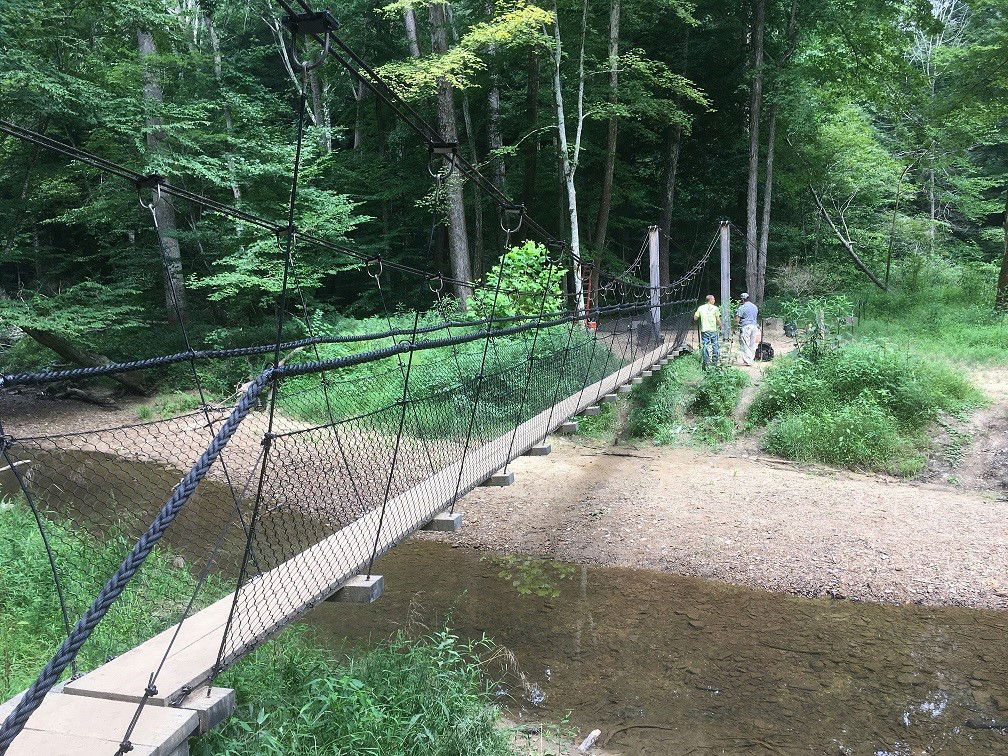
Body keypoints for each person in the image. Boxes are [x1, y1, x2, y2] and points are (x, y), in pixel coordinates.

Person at [693, 294, 721, 369]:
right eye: (714, 299)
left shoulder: (700, 308)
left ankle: (706, 362)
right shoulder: (715, 308)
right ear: (710, 300)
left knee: (705, 345)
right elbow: (718, 319)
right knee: (715, 345)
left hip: (704, 330)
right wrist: (721, 325)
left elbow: (695, 318)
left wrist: (700, 318)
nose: (714, 300)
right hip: (713, 330)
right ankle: (715, 361)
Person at [736, 293, 759, 366]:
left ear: (742, 299)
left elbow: (737, 319)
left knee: (745, 344)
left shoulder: (742, 307)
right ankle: (751, 359)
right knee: (752, 344)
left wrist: (736, 325)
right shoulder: (755, 307)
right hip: (754, 326)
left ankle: (748, 361)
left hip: (746, 327)